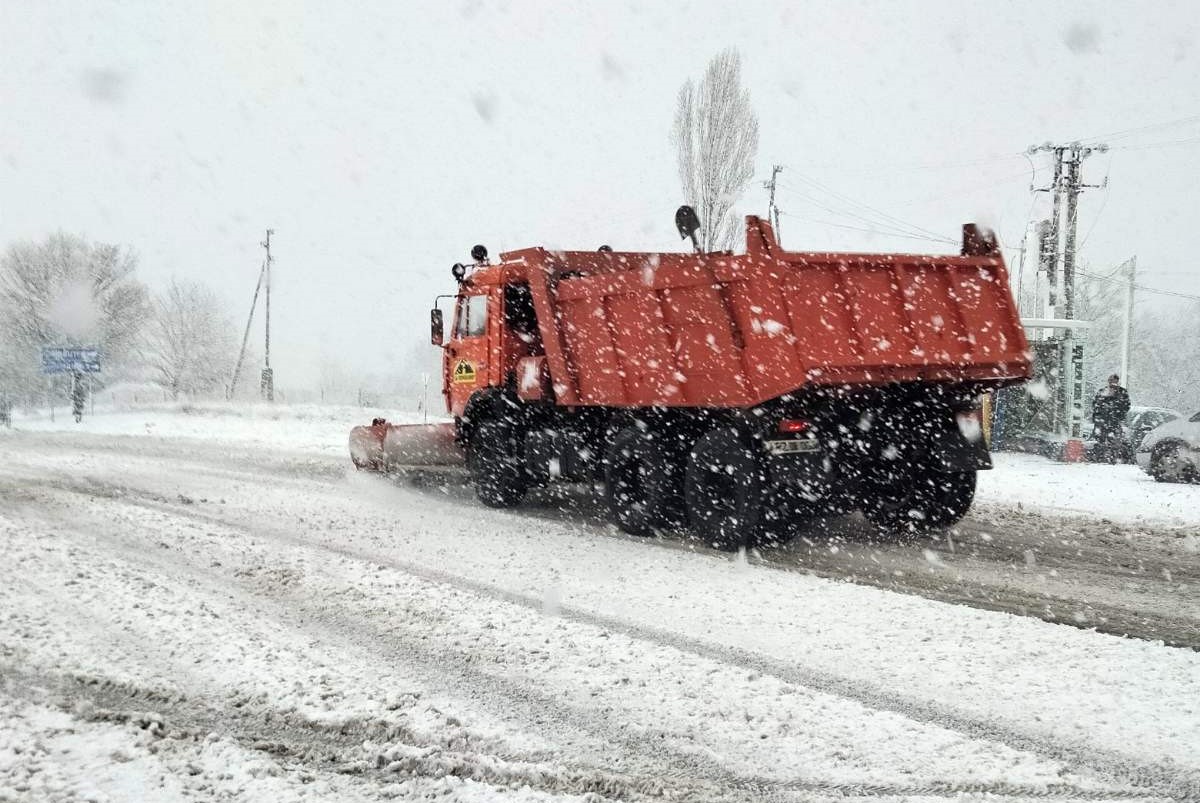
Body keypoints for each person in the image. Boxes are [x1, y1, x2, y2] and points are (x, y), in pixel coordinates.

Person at [1092, 373, 1131, 463]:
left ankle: (1112, 457)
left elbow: (1126, 406)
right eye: (1111, 381)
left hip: (1114, 421)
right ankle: (1101, 457)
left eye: (1114, 381)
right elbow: (1095, 405)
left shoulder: (1122, 392)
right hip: (1103, 421)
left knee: (1114, 441)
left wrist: (1118, 413)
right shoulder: (1102, 391)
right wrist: (1098, 417)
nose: (1112, 383)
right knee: (1100, 440)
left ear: (1117, 382)